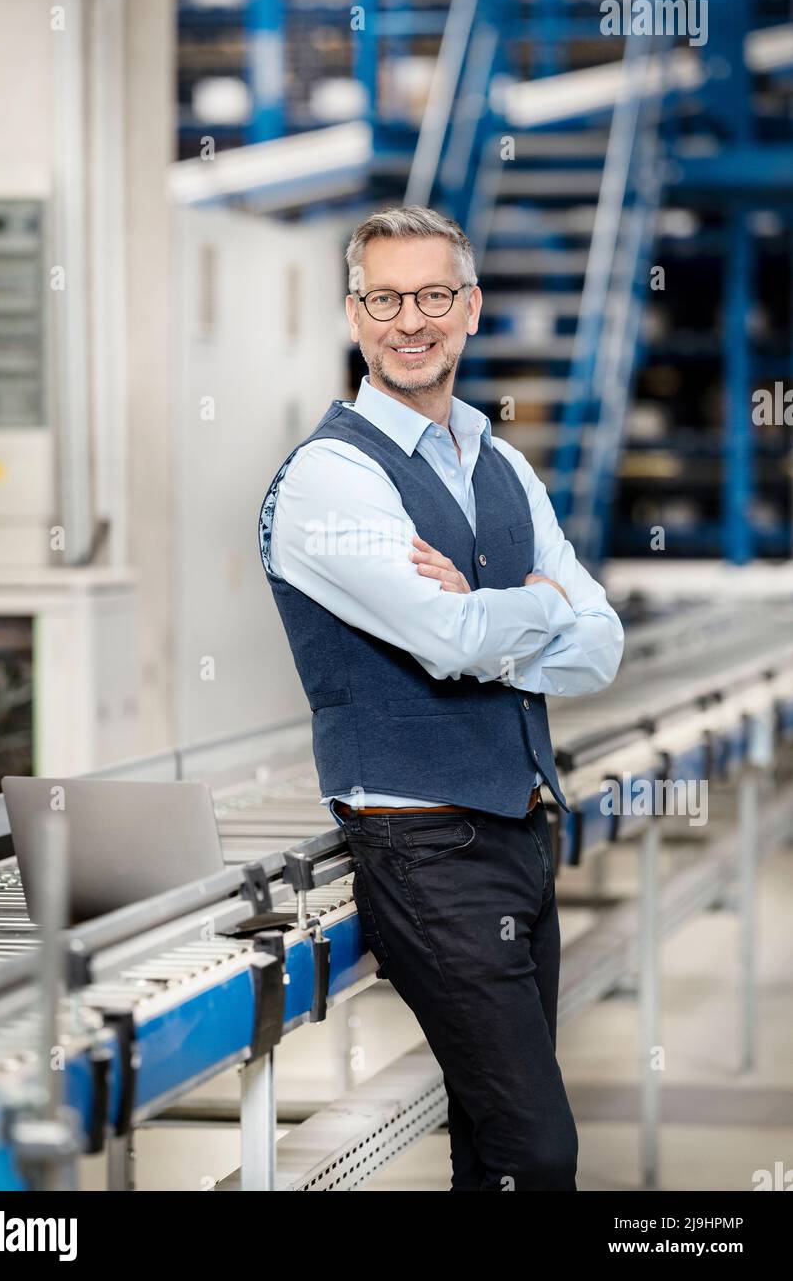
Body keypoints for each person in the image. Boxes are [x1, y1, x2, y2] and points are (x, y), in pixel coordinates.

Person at [257, 204, 624, 1190]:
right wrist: (539, 603)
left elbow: (602, 647)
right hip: (424, 853)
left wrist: (501, 621)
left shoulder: (501, 463)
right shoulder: (330, 480)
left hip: (522, 836)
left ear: (469, 309)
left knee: (492, 1145)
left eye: (431, 296)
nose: (407, 319)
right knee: (536, 1151)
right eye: (383, 297)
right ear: (353, 312)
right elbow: (446, 638)